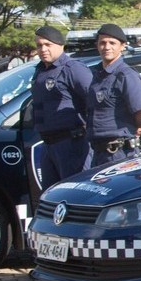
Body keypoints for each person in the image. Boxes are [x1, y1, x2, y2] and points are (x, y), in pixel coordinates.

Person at [28, 26, 92, 193]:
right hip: (48, 144)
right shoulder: (40, 70)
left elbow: (95, 102)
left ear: (60, 45)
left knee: (75, 194)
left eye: (48, 44)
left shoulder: (72, 68)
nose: (43, 49)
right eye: (39, 45)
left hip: (71, 143)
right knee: (52, 196)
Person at [84, 23, 141, 166]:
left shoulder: (126, 75)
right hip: (99, 153)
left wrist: (134, 126)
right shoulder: (96, 75)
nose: (106, 47)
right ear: (97, 45)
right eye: (102, 42)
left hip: (119, 153)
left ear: (122, 46)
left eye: (112, 43)